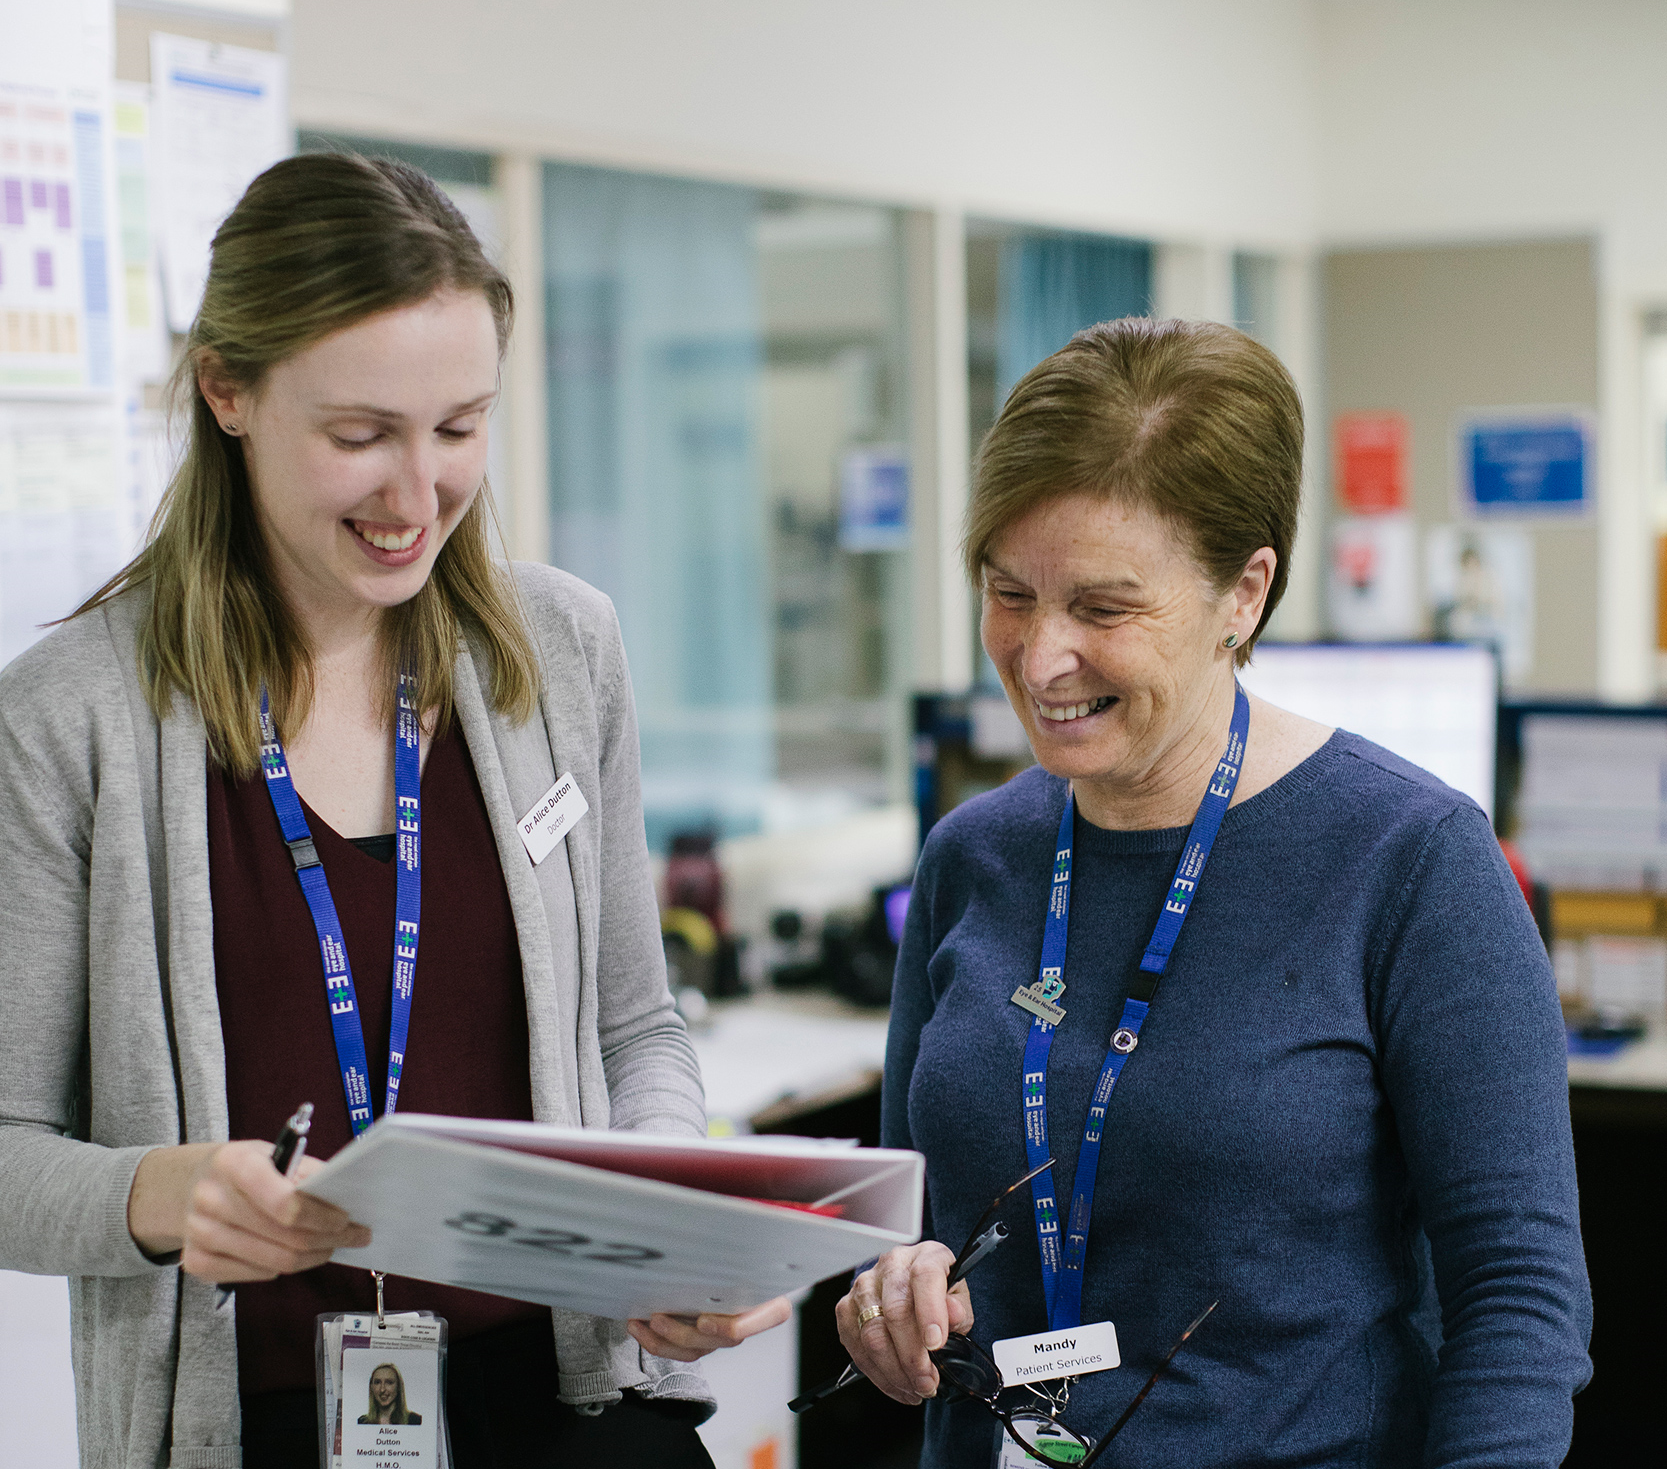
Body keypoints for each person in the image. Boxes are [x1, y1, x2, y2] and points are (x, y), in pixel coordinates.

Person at [0, 152, 787, 1469]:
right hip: (250, 1432)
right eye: (360, 435)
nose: (417, 494)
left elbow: (634, 1025)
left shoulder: (562, 650)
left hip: (565, 1411)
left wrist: (663, 1212)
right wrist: (156, 1194)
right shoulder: (71, 714)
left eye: (459, 426)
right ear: (227, 390)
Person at [835, 318, 1592, 1467]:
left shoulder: (1413, 860)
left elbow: (1518, 1298)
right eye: (1008, 593)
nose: (1039, 659)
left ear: (1243, 590)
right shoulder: (969, 855)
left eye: (1101, 608)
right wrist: (886, 1291)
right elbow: (904, 1226)